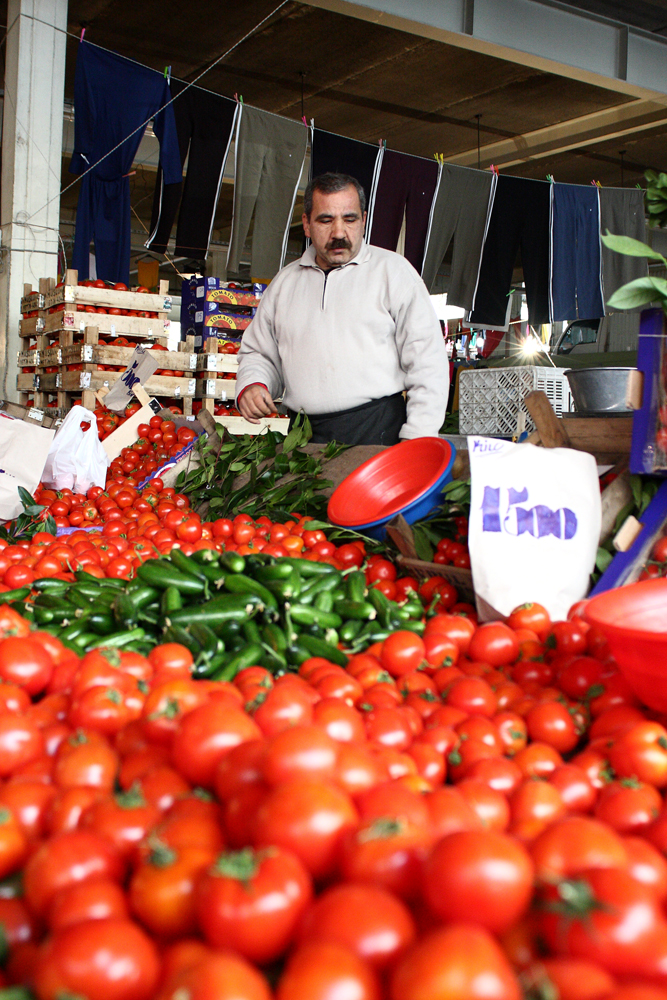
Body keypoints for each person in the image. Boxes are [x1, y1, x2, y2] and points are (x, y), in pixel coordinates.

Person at [235, 172, 448, 445]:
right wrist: (253, 384)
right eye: (325, 220)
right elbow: (259, 353)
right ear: (307, 224)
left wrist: (419, 437)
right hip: (303, 437)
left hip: (378, 432)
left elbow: (428, 364)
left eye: (350, 219)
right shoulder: (284, 284)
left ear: (364, 220)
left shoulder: (394, 273)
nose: (339, 233)